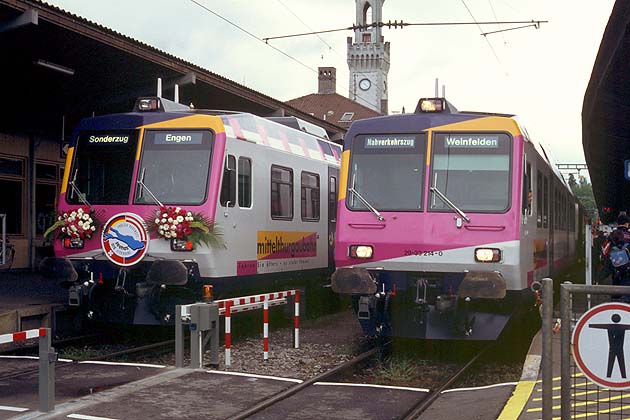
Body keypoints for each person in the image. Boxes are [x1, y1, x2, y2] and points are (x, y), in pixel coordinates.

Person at [600, 213, 630, 300]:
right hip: (627, 271)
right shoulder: (629, 235)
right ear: (626, 223)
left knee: (615, 295)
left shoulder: (612, 235)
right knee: (627, 295)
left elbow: (606, 252)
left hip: (615, 270)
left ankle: (616, 304)